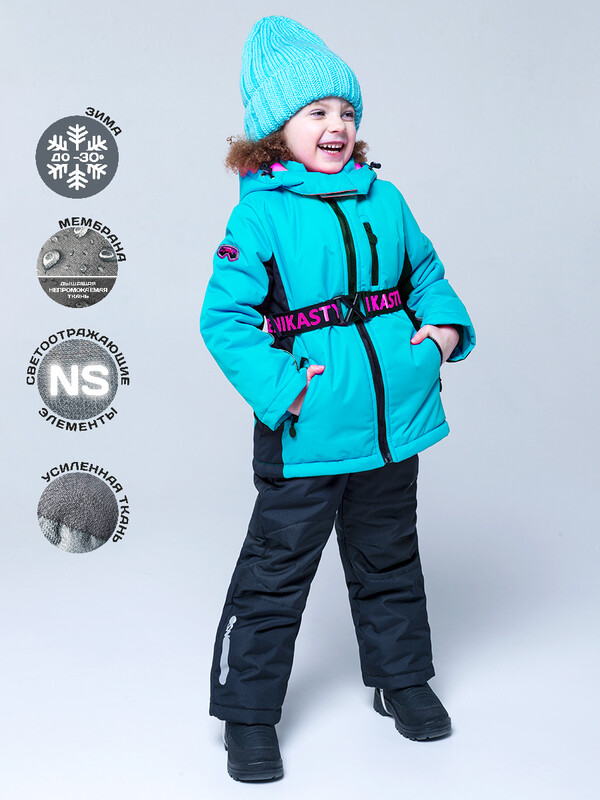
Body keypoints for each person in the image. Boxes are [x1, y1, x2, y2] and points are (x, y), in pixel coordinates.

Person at [200, 15, 475, 783]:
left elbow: (426, 274)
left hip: (392, 423)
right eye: (316, 111)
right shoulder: (261, 213)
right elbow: (224, 319)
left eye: (346, 110)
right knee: (276, 572)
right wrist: (286, 389)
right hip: (309, 427)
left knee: (390, 555)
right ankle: (248, 714)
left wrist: (441, 335)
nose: (336, 124)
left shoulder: (385, 200)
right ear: (275, 132)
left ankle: (401, 679)